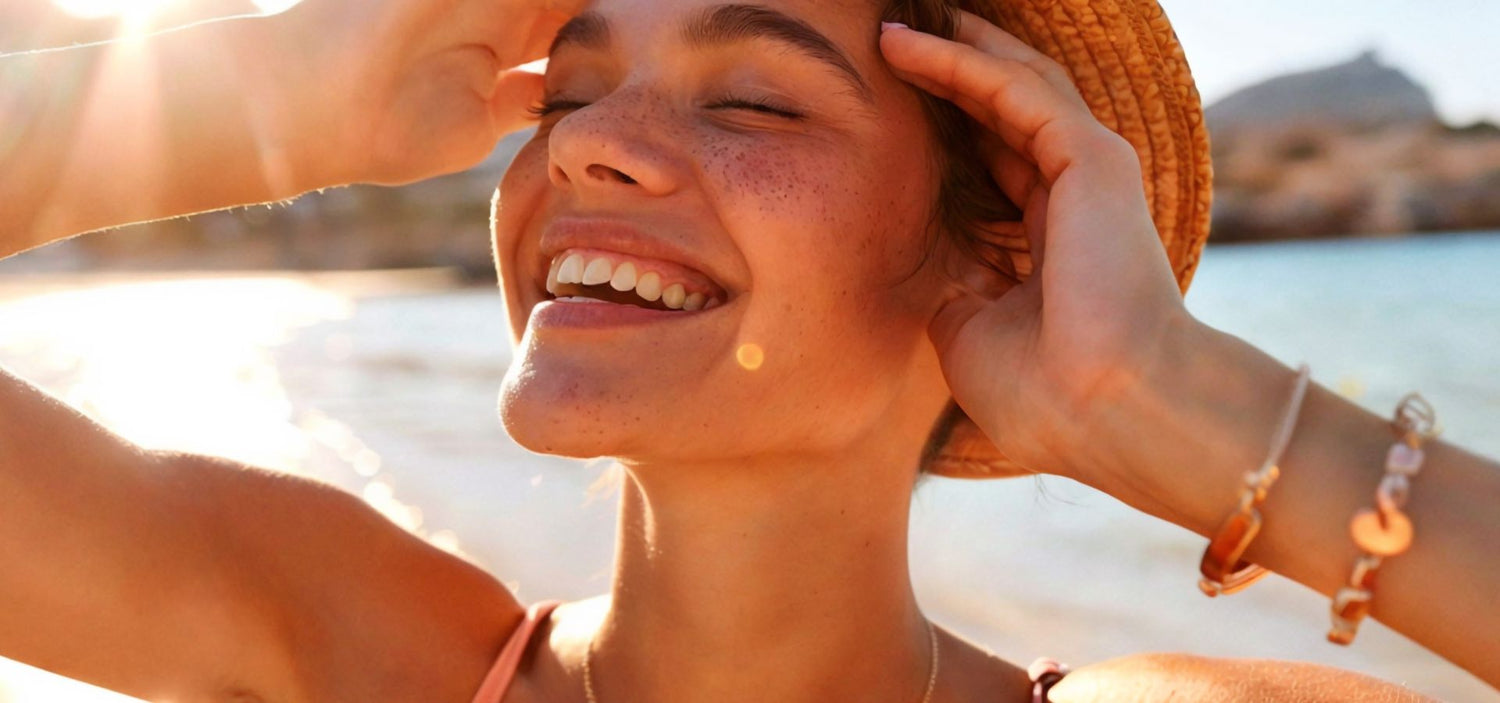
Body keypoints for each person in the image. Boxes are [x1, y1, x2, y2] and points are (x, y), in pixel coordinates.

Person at [0, 0, 1495, 701]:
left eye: (755, 103)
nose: (593, 150)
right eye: (568, 95)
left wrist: (1176, 399)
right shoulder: (345, 652)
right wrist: (250, 99)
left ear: (1006, 243)